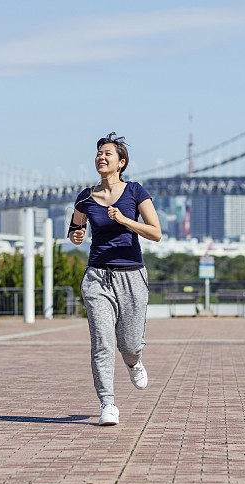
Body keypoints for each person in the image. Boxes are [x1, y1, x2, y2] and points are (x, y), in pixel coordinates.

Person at [68, 132, 162, 426]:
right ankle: (107, 404)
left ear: (121, 163)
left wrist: (124, 220)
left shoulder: (135, 192)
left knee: (129, 343)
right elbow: (74, 230)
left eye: (108, 154)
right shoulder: (86, 197)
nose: (101, 157)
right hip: (97, 275)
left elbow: (156, 233)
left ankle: (133, 361)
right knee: (102, 342)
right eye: (99, 153)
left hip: (131, 275)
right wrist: (76, 235)